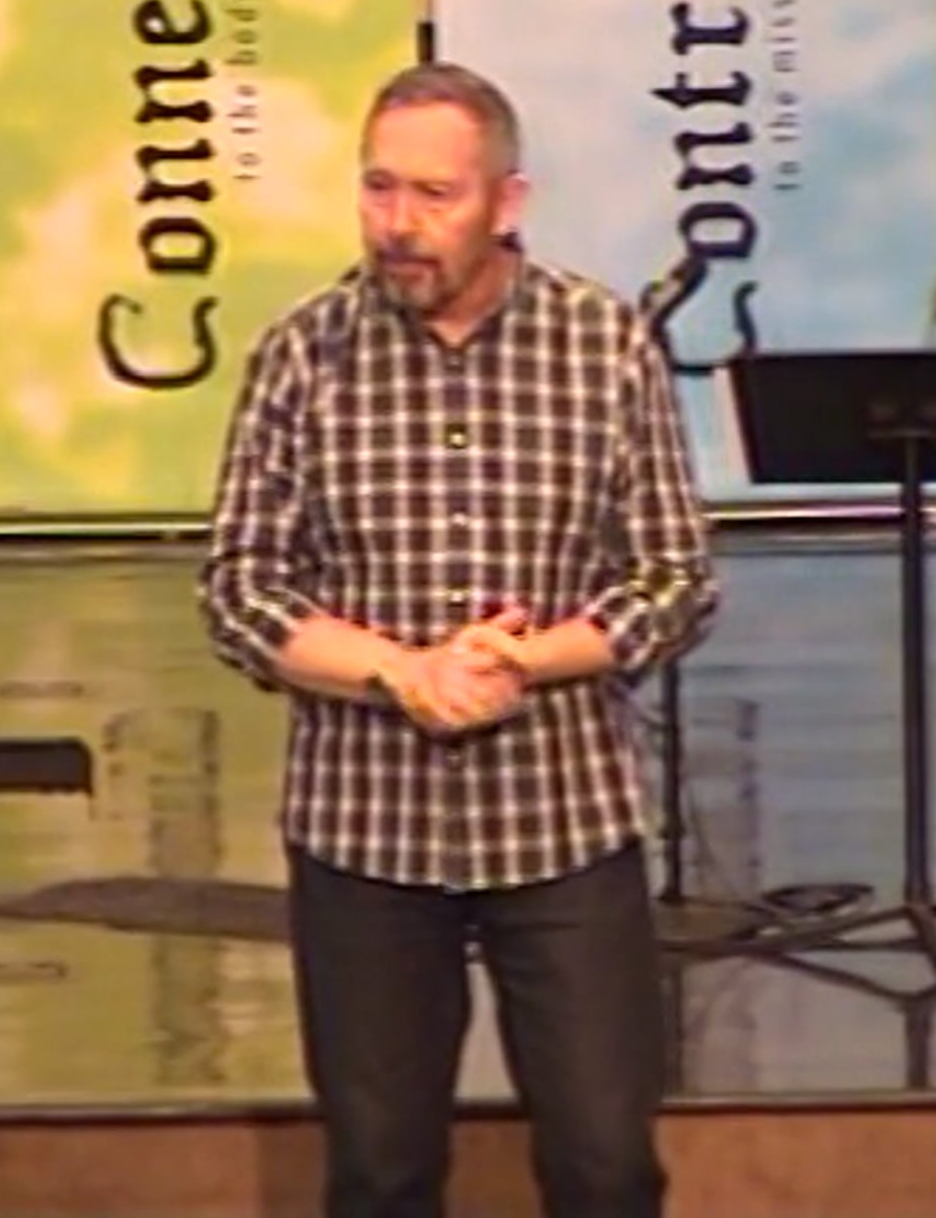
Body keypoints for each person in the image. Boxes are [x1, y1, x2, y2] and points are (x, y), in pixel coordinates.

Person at [197, 61, 719, 1218]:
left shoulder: (602, 344)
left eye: (434, 194)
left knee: (606, 1166)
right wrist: (403, 671)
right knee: (380, 1174)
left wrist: (524, 659)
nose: (399, 222)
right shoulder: (302, 353)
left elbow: (676, 578)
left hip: (564, 822)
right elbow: (240, 588)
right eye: (379, 187)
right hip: (364, 832)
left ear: (507, 200)